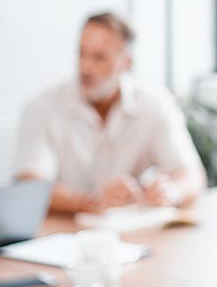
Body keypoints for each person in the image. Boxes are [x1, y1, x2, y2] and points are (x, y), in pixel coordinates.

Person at [16, 12, 207, 215]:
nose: (86, 67)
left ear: (126, 62)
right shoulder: (43, 107)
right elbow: (31, 188)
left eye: (100, 57)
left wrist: (170, 191)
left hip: (128, 233)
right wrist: (90, 203)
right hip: (61, 231)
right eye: (82, 53)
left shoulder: (154, 103)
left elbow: (192, 176)